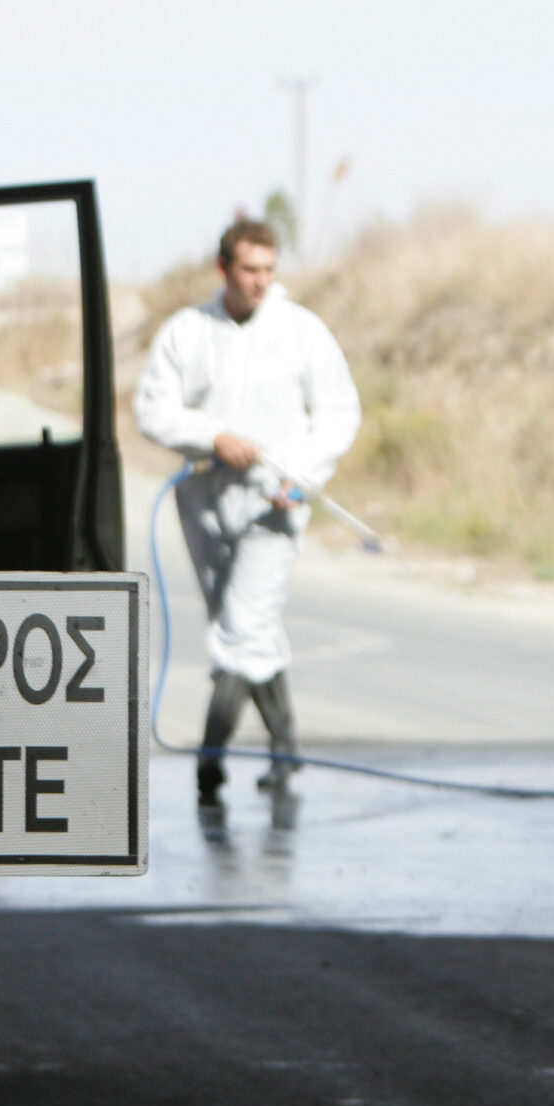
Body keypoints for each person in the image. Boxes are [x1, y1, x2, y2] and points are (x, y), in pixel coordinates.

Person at [135, 215, 362, 805]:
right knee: (241, 627)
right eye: (249, 269)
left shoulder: (302, 332)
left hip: (275, 501)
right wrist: (213, 437)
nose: (260, 281)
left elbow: (339, 413)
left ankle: (209, 764)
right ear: (224, 269)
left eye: (269, 270)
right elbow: (154, 409)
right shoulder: (187, 332)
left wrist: (305, 476)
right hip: (205, 496)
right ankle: (286, 752)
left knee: (241, 628)